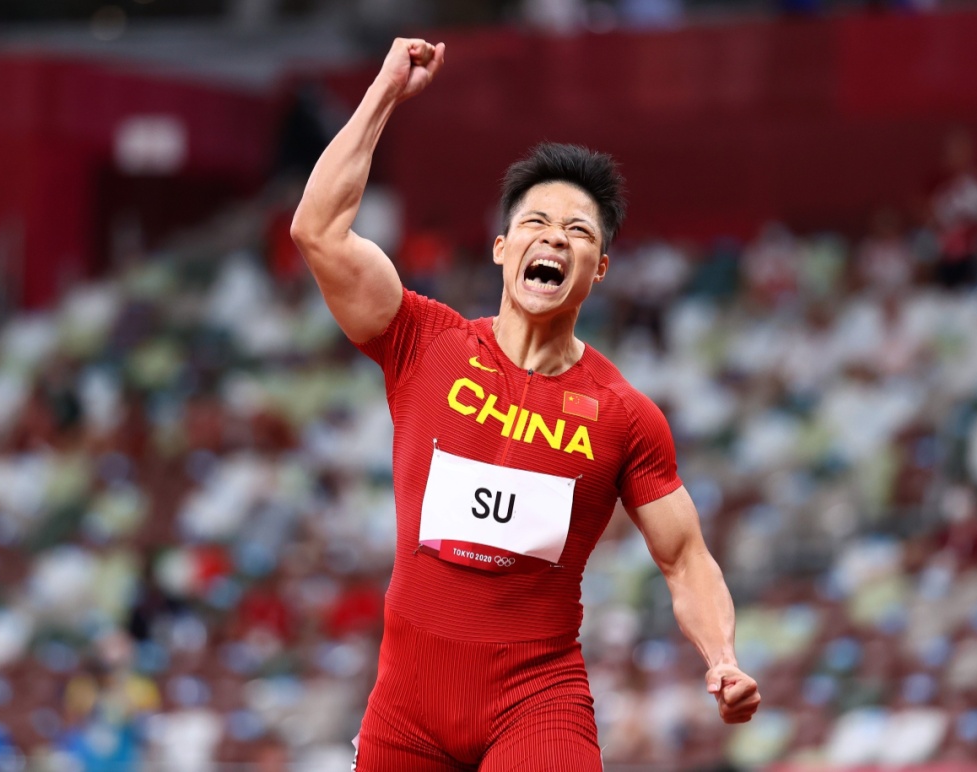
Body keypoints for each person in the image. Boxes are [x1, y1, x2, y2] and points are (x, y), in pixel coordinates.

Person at [290, 37, 760, 772]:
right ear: (502, 249)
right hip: (405, 710)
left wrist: (722, 658)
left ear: (599, 271)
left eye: (579, 232)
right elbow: (317, 231)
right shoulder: (426, 342)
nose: (556, 239)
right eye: (538, 223)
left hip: (535, 704)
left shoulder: (624, 415)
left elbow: (684, 558)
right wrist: (384, 92)